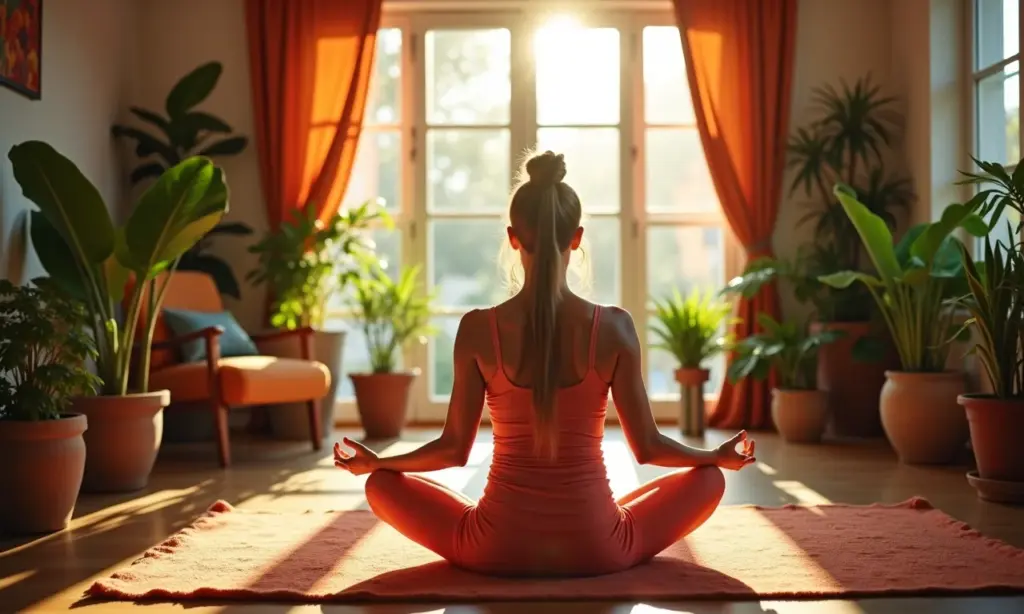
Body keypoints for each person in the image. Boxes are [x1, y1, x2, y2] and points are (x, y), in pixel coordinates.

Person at [334, 150, 756, 578]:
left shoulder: (478, 329)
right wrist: (714, 455)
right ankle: (600, 517)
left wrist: (378, 462)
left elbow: (452, 451)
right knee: (709, 479)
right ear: (577, 237)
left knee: (381, 485)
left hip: (494, 547)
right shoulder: (614, 327)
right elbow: (647, 448)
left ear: (513, 237)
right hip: (600, 546)